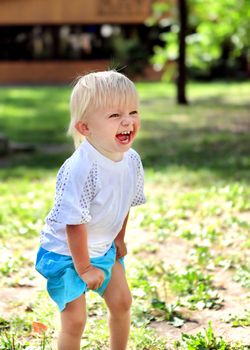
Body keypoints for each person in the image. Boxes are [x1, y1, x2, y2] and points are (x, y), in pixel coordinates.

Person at [35, 70, 146, 350]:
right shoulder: (81, 168)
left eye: (133, 111)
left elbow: (124, 203)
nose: (127, 121)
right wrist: (84, 268)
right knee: (75, 321)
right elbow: (74, 223)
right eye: (114, 115)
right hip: (66, 253)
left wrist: (119, 238)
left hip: (102, 247)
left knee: (122, 302)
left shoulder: (131, 160)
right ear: (85, 128)